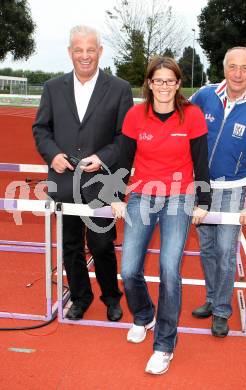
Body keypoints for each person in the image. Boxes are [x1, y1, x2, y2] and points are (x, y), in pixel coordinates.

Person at [111, 56, 210, 375]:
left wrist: (203, 200)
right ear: (149, 83)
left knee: (169, 269)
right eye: (158, 81)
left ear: (179, 84)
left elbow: (201, 161)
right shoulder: (135, 115)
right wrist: (115, 195)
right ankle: (143, 316)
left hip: (180, 197)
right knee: (128, 270)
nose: (164, 87)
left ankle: (165, 345)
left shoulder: (192, 116)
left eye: (171, 81)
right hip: (142, 193)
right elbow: (125, 158)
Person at [33, 25, 133, 321]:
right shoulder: (53, 88)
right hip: (64, 181)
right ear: (70, 53)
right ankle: (79, 296)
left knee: (102, 244)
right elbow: (41, 128)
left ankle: (111, 297)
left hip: (102, 182)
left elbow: (125, 138)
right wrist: (53, 156)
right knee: (70, 244)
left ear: (100, 52)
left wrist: (102, 158)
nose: (85, 56)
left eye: (91, 49)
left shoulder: (119, 89)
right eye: (79, 50)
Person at [190, 47, 246, 337]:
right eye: (232, 67)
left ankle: (223, 310)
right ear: (224, 69)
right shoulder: (204, 95)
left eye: (244, 68)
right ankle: (212, 300)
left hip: (234, 191)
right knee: (208, 249)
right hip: (200, 188)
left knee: (226, 251)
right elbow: (180, 124)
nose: (238, 73)